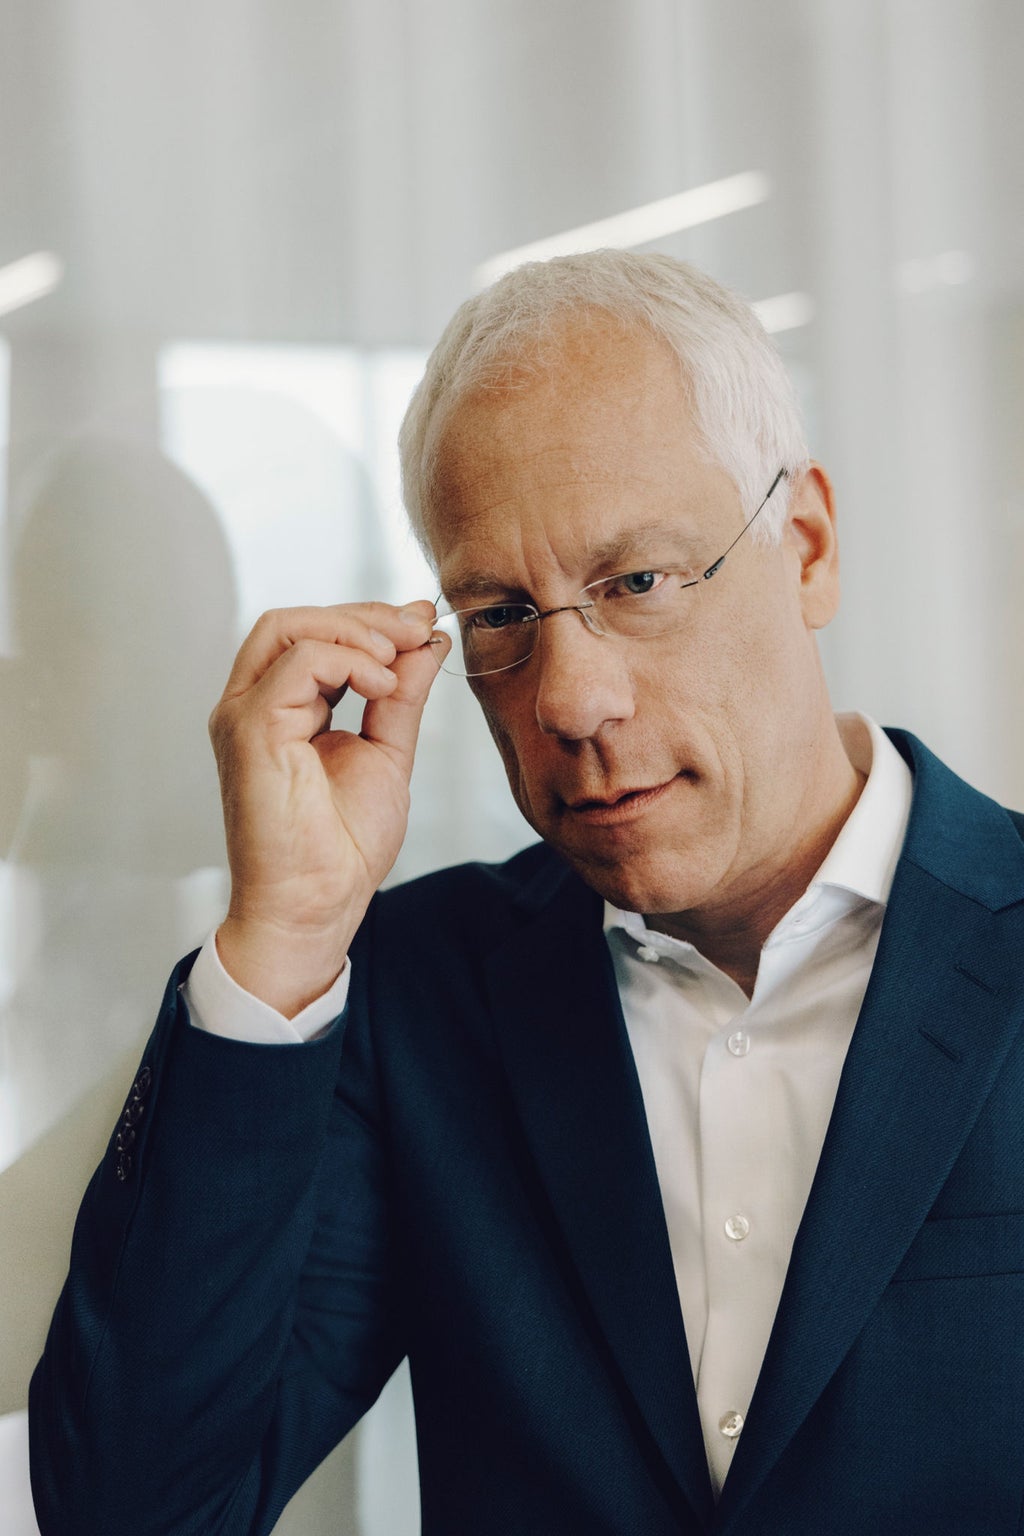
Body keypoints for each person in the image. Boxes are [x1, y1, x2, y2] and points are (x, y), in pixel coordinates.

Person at [29, 252, 1024, 1536]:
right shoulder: (418, 997)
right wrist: (280, 940)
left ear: (808, 547)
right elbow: (130, 1510)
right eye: (500, 615)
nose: (568, 700)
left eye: (636, 583)